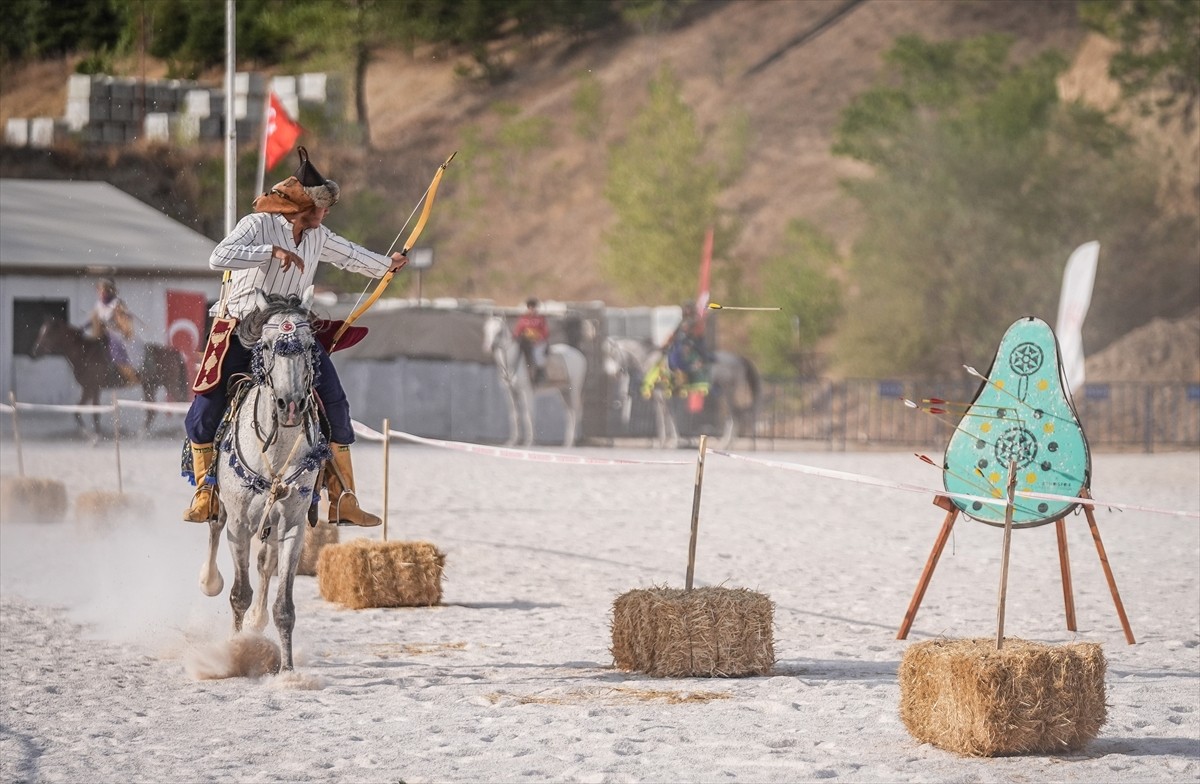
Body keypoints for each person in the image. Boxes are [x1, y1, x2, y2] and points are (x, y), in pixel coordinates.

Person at [181, 146, 407, 526]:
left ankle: (342, 498)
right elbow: (218, 258)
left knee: (334, 400)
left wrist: (388, 265)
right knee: (207, 405)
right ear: (303, 206)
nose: (326, 214)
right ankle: (206, 491)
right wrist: (270, 252)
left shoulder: (319, 234)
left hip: (293, 329)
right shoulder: (257, 225)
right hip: (242, 327)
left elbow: (349, 255)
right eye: (322, 207)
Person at [88, 278, 139, 385]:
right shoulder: (99, 305)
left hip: (116, 333)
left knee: (115, 346)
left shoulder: (117, 304)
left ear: (109, 291)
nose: (101, 293)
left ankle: (128, 374)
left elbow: (123, 321)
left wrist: (116, 322)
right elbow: (95, 319)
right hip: (102, 333)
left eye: (103, 290)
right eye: (100, 290)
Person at [666, 301, 711, 389]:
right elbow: (675, 333)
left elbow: (697, 333)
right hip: (680, 343)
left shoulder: (695, 321)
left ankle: (700, 366)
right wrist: (668, 341)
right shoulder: (681, 321)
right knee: (672, 353)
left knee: (696, 350)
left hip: (692, 342)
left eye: (689, 309)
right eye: (686, 309)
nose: (687, 311)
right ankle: (675, 375)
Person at [511, 297, 550, 383]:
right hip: (526, 342)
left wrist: (538, 339)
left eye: (533, 307)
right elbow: (518, 330)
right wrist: (515, 337)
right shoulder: (523, 318)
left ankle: (540, 374)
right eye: (530, 307)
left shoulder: (540, 318)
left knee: (538, 355)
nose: (532, 309)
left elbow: (545, 332)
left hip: (538, 342)